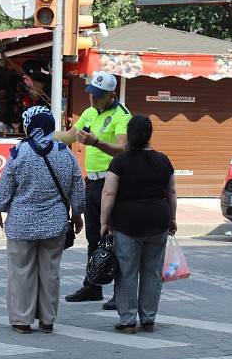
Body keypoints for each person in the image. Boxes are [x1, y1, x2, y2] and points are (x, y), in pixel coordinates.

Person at [0, 106, 85, 334]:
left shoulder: (18, 153)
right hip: (55, 225)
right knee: (50, 273)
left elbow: (5, 187)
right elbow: (77, 186)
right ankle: (47, 320)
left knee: (21, 272)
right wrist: (77, 214)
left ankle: (22, 320)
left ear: (28, 126)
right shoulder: (65, 153)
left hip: (21, 225)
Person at [54, 71, 131, 309]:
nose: (92, 99)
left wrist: (96, 142)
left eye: (98, 96)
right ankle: (92, 285)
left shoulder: (121, 115)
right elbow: (68, 137)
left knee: (116, 238)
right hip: (93, 183)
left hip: (114, 181)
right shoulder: (88, 113)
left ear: (112, 95)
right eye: (91, 94)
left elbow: (123, 148)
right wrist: (43, 134)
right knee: (93, 237)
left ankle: (121, 292)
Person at [99, 115, 177, 334]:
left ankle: (127, 321)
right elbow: (171, 192)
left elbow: (109, 192)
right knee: (152, 272)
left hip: (127, 223)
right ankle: (149, 319)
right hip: (158, 221)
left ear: (130, 134)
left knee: (127, 272)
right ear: (150, 135)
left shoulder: (120, 161)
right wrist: (172, 218)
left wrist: (104, 221)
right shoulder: (163, 160)